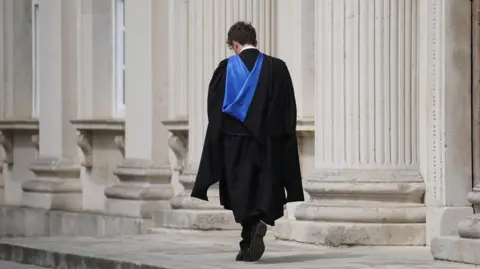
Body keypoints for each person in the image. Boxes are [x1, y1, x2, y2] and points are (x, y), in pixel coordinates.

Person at [191, 21, 304, 262]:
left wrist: (216, 144)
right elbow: (288, 110)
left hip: (235, 145)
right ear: (256, 41)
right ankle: (251, 235)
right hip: (268, 144)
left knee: (241, 192)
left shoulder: (225, 69)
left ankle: (248, 236)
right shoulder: (278, 68)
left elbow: (215, 113)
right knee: (263, 189)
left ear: (234, 44)